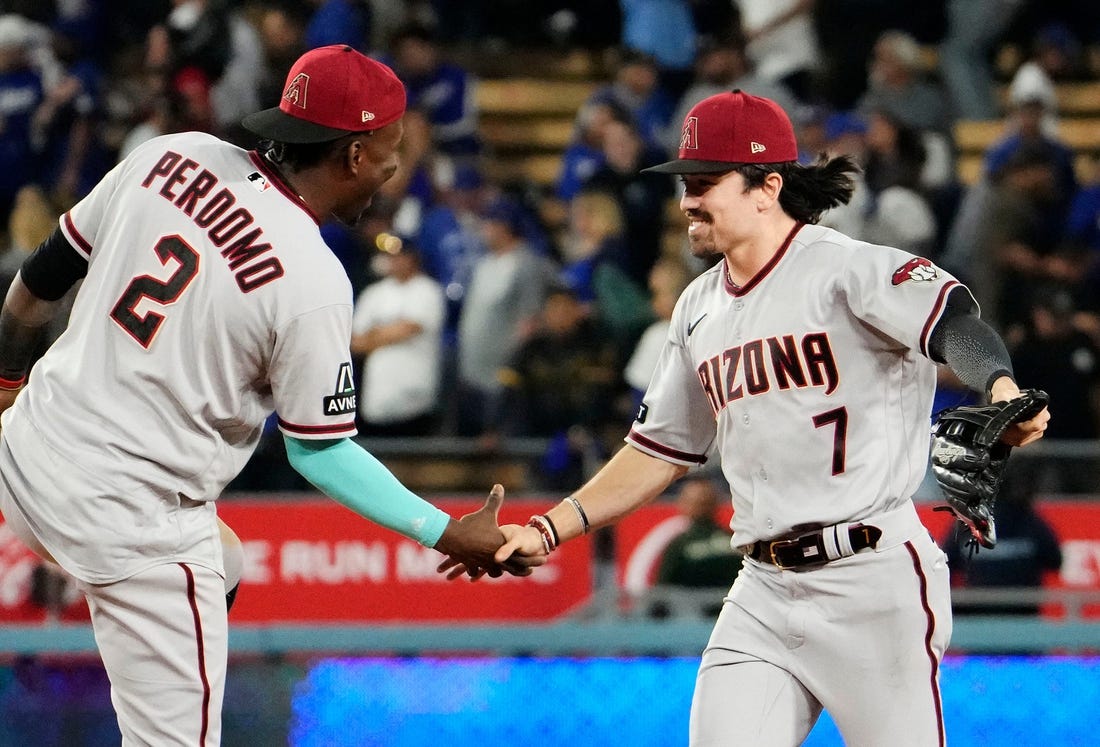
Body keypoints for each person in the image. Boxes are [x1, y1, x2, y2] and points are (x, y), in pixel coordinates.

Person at [447, 90, 1052, 745]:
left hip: (871, 578)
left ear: (767, 187)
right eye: (684, 183)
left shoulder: (846, 269)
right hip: (762, 585)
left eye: (704, 182)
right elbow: (656, 450)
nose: (686, 200)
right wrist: (547, 527)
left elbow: (957, 323)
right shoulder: (697, 307)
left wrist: (999, 386)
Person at [0, 45, 536, 746]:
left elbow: (39, 279)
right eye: (388, 148)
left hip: (30, 453)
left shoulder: (172, 156)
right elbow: (320, 454)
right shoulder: (311, 279)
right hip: (136, 522)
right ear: (350, 154)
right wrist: (445, 529)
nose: (393, 167)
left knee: (228, 561)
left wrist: (7, 388)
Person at [350, 237, 445, 437]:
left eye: (400, 256)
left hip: (415, 398)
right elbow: (354, 342)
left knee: (412, 463)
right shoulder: (374, 292)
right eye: (390, 256)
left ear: (413, 258)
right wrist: (390, 332)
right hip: (376, 397)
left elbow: (409, 328)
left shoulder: (427, 290)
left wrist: (374, 334)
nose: (394, 261)